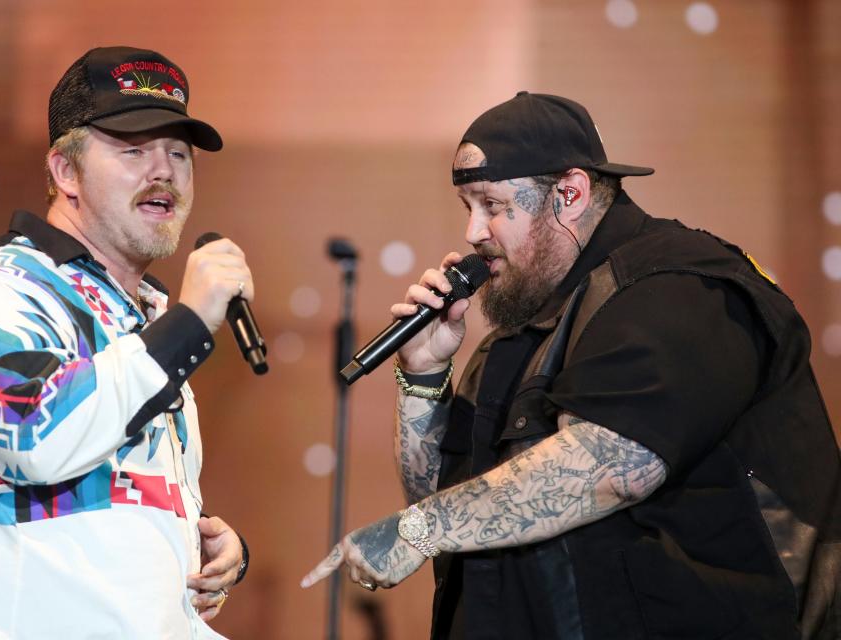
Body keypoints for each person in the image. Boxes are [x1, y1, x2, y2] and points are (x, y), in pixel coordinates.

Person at [302, 92, 841, 639]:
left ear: (570, 193)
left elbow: (610, 469)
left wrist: (421, 529)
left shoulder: (679, 288)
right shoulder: (519, 334)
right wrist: (422, 376)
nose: (473, 232)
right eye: (468, 208)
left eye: (492, 205)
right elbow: (452, 507)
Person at [0, 46, 252, 639]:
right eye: (134, 150)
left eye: (178, 154)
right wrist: (187, 324)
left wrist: (200, 536)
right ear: (65, 171)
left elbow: (99, 477)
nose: (163, 171)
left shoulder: (143, 312)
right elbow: (34, 436)